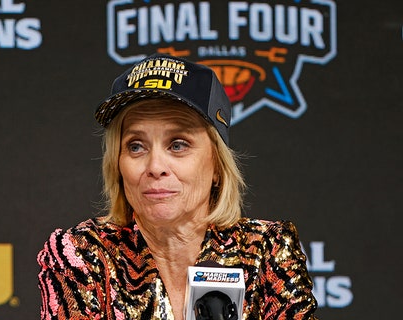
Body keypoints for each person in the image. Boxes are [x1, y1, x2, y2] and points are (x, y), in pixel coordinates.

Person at [37, 53, 318, 320]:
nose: (155, 166)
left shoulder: (266, 251)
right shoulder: (82, 254)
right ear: (117, 165)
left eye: (178, 144)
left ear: (218, 165)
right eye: (136, 146)